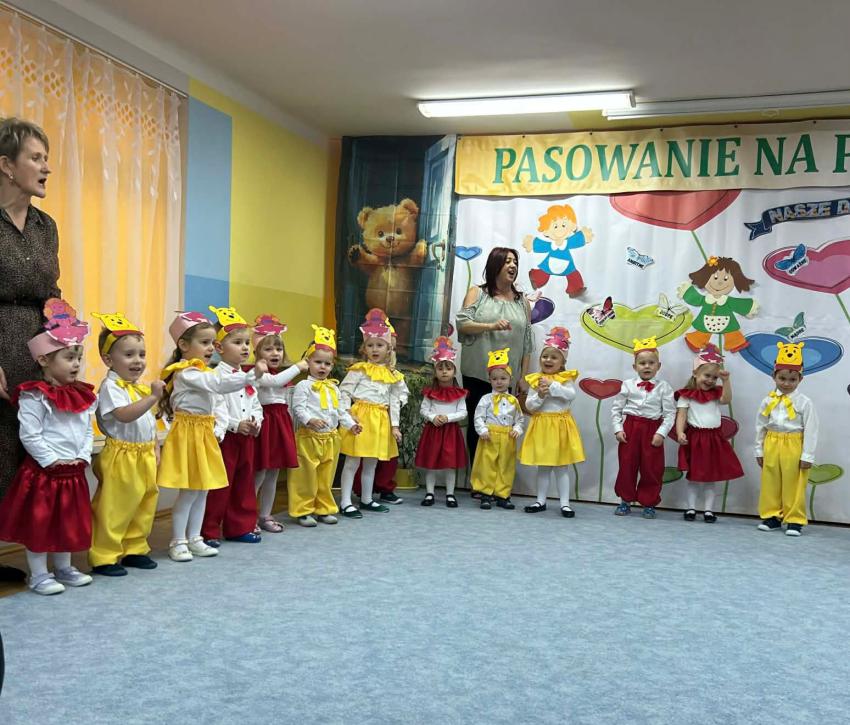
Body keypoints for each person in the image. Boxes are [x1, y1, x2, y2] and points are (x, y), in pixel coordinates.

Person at [0, 299, 96, 595]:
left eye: (78, 358)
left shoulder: (81, 394)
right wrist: (51, 460)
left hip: (72, 471)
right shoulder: (34, 396)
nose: (76, 364)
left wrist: (82, 455)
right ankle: (39, 574)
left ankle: (64, 567)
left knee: (67, 522)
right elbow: (30, 434)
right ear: (44, 360)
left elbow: (86, 429)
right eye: (69, 358)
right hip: (44, 474)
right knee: (39, 524)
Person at [0, 118, 61, 582]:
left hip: (36, 347)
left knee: (27, 452)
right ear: (6, 165)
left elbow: (51, 292)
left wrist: (64, 337)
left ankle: (29, 556)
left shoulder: (46, 226)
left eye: (46, 158)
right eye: (36, 158)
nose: (46, 168)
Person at [157, 311, 266, 562]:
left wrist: (218, 428)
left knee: (203, 490)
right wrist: (251, 375)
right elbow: (218, 385)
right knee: (189, 491)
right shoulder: (187, 372)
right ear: (184, 345)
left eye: (211, 342)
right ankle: (178, 541)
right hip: (188, 434)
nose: (209, 348)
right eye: (204, 342)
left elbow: (217, 402)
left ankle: (195, 538)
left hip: (204, 432)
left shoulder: (204, 372)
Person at [89, 312, 163, 577]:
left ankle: (135, 548)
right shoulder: (111, 387)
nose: (138, 361)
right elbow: (123, 415)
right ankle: (104, 555)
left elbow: (148, 424)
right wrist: (153, 397)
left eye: (142, 354)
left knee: (144, 503)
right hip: (121, 455)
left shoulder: (136, 388)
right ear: (108, 360)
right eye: (129, 355)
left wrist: (155, 448)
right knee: (115, 506)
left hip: (143, 455)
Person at [456, 247, 532, 466]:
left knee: (504, 428)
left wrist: (523, 376)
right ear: (495, 265)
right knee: (479, 426)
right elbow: (462, 324)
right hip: (478, 372)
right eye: (507, 261)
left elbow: (527, 341)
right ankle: (478, 478)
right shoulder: (477, 293)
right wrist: (490, 326)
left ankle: (499, 479)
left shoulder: (522, 302)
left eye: (515, 262)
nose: (513, 265)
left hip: (507, 377)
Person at [202, 306, 267, 546]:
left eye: (247, 343)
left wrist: (256, 421)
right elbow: (214, 409)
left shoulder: (248, 376)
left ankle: (240, 526)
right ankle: (208, 530)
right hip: (225, 439)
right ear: (219, 348)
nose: (245, 348)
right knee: (219, 485)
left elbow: (256, 404)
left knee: (244, 483)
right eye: (238, 343)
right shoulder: (214, 377)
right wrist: (234, 425)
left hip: (246, 438)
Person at [337, 308, 408, 518]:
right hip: (360, 419)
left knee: (371, 462)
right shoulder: (359, 369)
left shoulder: (392, 374)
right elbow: (344, 392)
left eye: (379, 345)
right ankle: (345, 501)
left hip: (380, 420)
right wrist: (347, 414)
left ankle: (367, 499)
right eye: (370, 345)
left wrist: (395, 426)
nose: (375, 349)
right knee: (352, 461)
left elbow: (394, 400)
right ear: (364, 348)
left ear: (388, 348)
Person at [288, 325, 360, 526]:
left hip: (330, 438)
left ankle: (323, 508)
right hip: (309, 437)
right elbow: (298, 408)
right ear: (308, 362)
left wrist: (350, 425)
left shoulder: (333, 388)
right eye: (318, 362)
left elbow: (339, 411)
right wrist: (309, 420)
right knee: (306, 475)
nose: (322, 367)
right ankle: (303, 510)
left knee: (325, 475)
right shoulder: (304, 385)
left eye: (327, 364)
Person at [519, 327, 585, 517]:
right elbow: (530, 406)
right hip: (542, 427)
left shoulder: (564, 379)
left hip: (560, 427)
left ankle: (565, 504)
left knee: (561, 467)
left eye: (554, 357)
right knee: (543, 466)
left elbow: (570, 395)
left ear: (563, 361)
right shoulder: (536, 380)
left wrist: (553, 385)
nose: (548, 360)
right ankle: (540, 500)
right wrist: (540, 396)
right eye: (545, 356)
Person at [755, 342, 819, 536]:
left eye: (792, 379)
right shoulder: (767, 400)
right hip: (772, 442)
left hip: (794, 443)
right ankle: (772, 516)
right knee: (770, 480)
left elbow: (811, 429)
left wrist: (807, 455)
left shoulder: (804, 402)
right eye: (782, 378)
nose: (786, 383)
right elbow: (760, 425)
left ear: (800, 379)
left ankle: (794, 519)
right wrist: (759, 450)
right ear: (773, 376)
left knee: (794, 483)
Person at [674, 344, 744, 523]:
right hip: (695, 438)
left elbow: (727, 399)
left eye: (714, 377)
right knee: (694, 476)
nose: (710, 380)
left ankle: (708, 510)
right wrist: (680, 432)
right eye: (707, 375)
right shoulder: (686, 395)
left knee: (711, 477)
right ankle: (691, 508)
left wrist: (726, 381)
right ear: (695, 373)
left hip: (714, 439)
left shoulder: (716, 393)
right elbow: (681, 415)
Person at [251, 314, 306, 532]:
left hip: (280, 422)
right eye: (268, 349)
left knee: (273, 473)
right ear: (257, 352)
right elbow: (274, 382)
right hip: (264, 423)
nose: (275, 353)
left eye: (279, 348)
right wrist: (298, 367)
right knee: (259, 473)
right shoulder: (256, 373)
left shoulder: (279, 373)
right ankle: (248, 516)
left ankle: (265, 515)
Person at [611, 337, 676, 518]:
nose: (647, 366)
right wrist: (618, 429)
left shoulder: (664, 388)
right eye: (642, 363)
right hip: (630, 428)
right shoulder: (627, 385)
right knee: (627, 466)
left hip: (652, 430)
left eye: (651, 363)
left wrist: (661, 433)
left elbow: (670, 413)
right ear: (635, 367)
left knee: (652, 468)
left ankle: (649, 502)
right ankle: (625, 500)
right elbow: (616, 409)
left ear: (658, 366)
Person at [469, 348, 525, 510]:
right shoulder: (486, 399)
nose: (499, 382)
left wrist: (517, 429)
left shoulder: (513, 400)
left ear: (510, 379)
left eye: (503, 378)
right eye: (495, 379)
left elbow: (520, 419)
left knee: (505, 465)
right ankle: (485, 494)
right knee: (487, 465)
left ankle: (503, 495)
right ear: (490, 380)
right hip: (490, 436)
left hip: (507, 437)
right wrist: (482, 430)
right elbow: (478, 416)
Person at [416, 337, 468, 508]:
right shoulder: (430, 392)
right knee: (431, 463)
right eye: (440, 368)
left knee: (450, 464)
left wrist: (448, 418)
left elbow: (463, 412)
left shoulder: (459, 393)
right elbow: (423, 410)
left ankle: (450, 494)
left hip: (451, 432)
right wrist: (433, 417)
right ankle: (429, 493)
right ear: (435, 371)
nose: (444, 372)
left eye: (448, 368)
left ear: (454, 371)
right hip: (433, 431)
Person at [522, 203, 593, 297]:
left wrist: (583, 235)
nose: (560, 229)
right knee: (544, 272)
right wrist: (532, 242)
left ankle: (575, 289)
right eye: (555, 226)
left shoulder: (567, 242)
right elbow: (542, 245)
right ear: (546, 230)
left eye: (564, 225)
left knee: (573, 274)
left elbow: (576, 240)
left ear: (572, 225)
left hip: (567, 266)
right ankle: (535, 278)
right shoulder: (552, 245)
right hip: (550, 264)